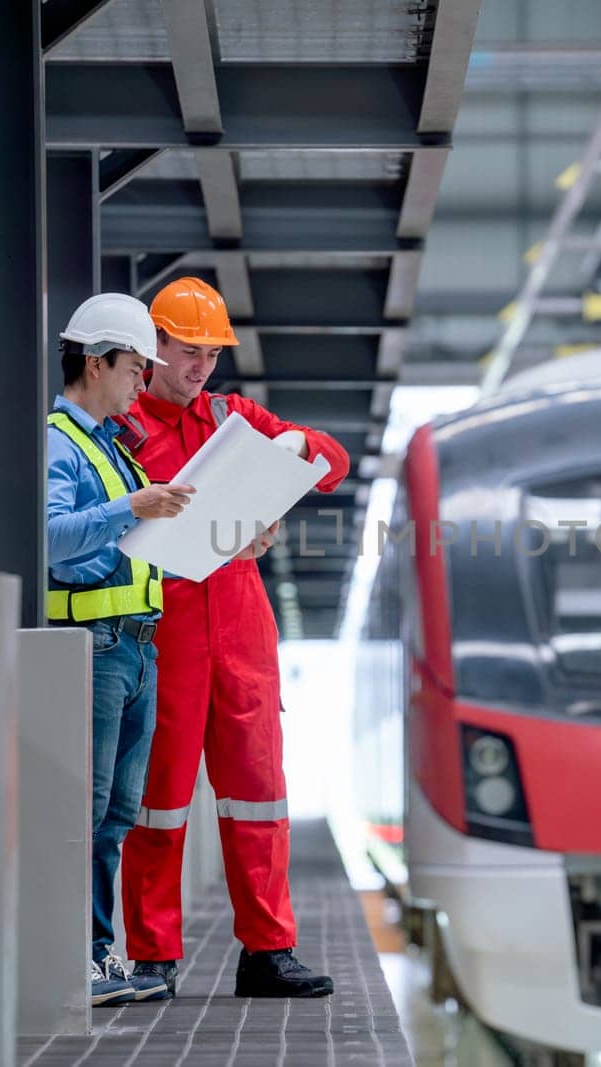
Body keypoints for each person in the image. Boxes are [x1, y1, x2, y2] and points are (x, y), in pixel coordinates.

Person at [120, 277, 349, 999]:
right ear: (153, 346)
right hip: (169, 634)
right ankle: (153, 955)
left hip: (243, 634)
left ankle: (268, 950)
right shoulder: (124, 431)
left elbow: (332, 461)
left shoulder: (231, 417)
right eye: (189, 351)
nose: (201, 367)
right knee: (158, 800)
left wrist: (288, 449)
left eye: (211, 353)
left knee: (260, 795)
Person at [45, 293, 195, 1007]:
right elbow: (53, 541)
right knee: (90, 807)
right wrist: (133, 509)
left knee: (116, 815)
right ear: (95, 362)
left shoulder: (111, 448)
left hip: (137, 647)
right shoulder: (58, 441)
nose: (142, 382)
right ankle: (74, 958)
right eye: (135, 367)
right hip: (98, 646)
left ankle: (99, 955)